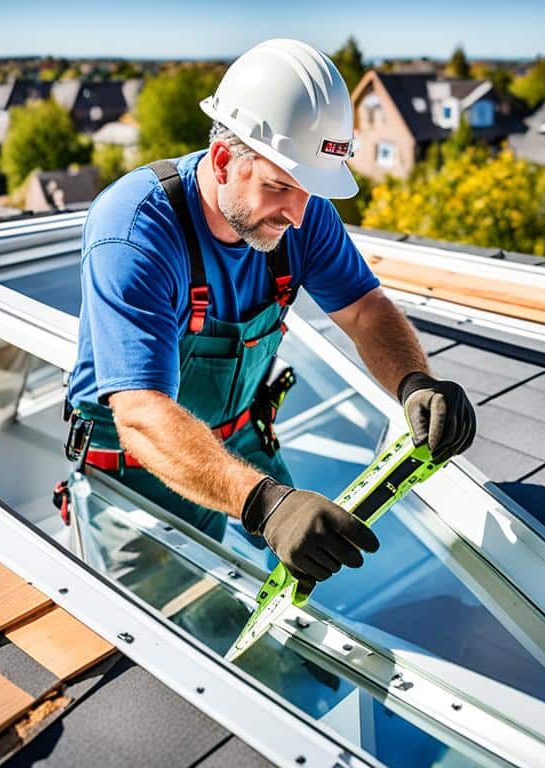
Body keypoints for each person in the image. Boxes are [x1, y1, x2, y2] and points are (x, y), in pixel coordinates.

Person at [64, 38, 476, 591]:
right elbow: (140, 413)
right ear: (222, 160)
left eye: (311, 192)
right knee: (156, 621)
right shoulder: (136, 230)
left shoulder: (300, 213)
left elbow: (365, 310)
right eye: (280, 186)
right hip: (139, 472)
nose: (299, 215)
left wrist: (415, 381)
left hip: (241, 442)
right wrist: (265, 504)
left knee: (316, 573)